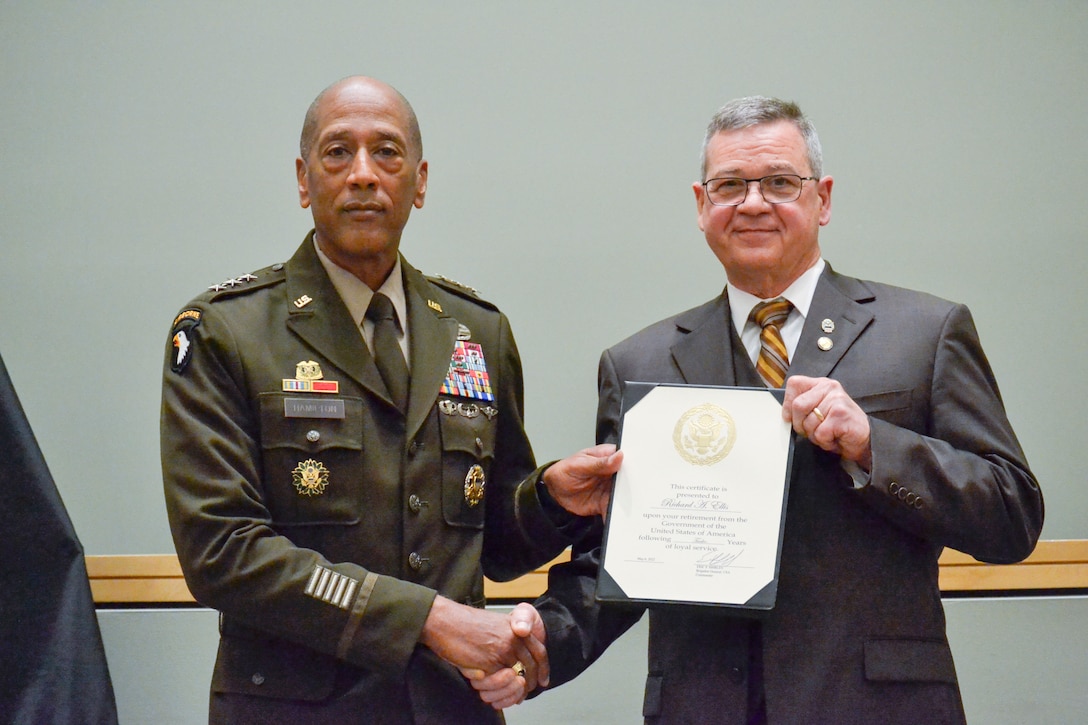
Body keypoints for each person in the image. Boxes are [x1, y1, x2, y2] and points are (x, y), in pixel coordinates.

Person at [497, 96, 1043, 723]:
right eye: (730, 185)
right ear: (702, 206)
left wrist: (873, 443)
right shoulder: (637, 364)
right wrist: (536, 647)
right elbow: (619, 564)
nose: (753, 203)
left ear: (823, 199)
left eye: (780, 182)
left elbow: (1012, 514)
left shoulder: (925, 332)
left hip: (876, 705)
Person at [160, 75, 619, 724]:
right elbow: (222, 552)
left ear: (420, 182)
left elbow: (488, 539)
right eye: (338, 152)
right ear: (302, 179)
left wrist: (551, 500)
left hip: (447, 707)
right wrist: (425, 619)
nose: (364, 174)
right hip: (294, 708)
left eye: (387, 152)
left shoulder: (474, 329)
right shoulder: (227, 331)